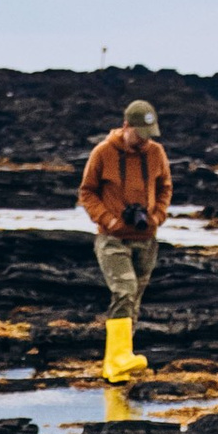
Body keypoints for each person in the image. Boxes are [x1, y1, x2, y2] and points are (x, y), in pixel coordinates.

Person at [79, 97, 171, 384]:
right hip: (112, 239)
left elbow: (165, 187)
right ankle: (118, 359)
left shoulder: (156, 153)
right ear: (125, 126)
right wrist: (108, 220)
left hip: (146, 238)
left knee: (135, 297)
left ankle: (116, 363)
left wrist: (156, 216)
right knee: (124, 289)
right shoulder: (103, 152)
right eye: (140, 135)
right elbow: (87, 192)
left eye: (149, 136)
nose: (144, 142)